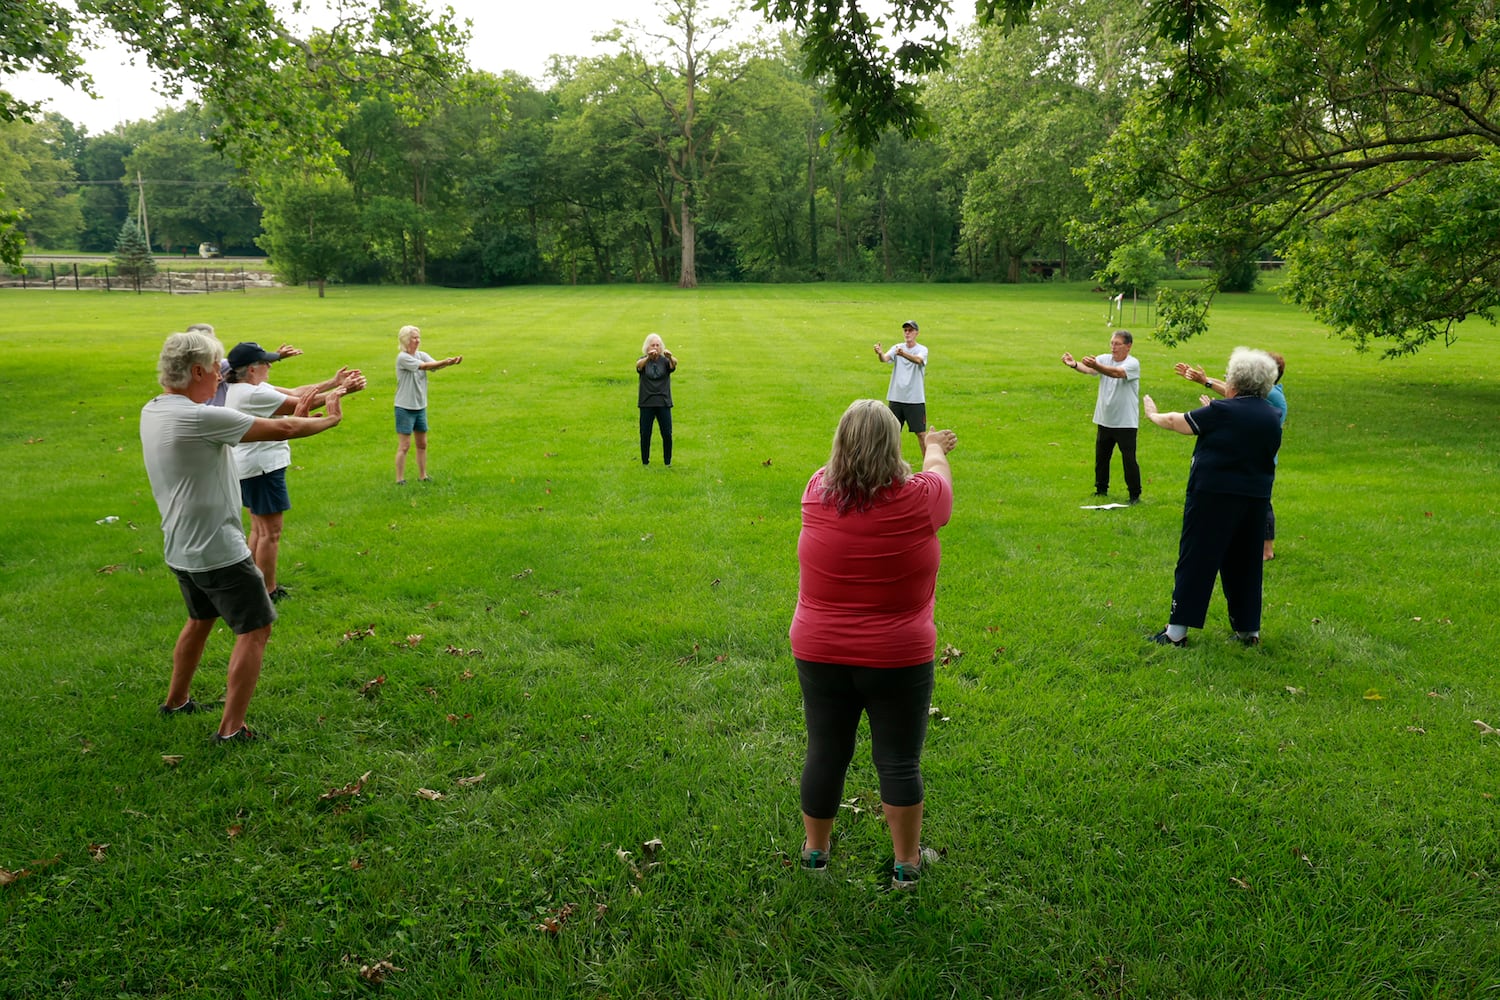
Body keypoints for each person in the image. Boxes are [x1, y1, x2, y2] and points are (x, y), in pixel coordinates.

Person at [140, 330, 347, 742]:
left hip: (180, 546)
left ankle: (176, 701)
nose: (221, 378)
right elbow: (285, 426)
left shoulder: (153, 409)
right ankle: (232, 730)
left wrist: (306, 403)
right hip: (217, 549)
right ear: (197, 371)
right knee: (256, 629)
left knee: (200, 619)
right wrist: (332, 416)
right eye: (216, 370)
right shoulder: (200, 418)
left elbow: (282, 414)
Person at [789, 399, 957, 888]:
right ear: (894, 446)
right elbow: (939, 474)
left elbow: (843, 471)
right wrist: (933, 447)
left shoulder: (815, 490)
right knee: (898, 760)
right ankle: (907, 865)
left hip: (820, 651)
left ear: (840, 445)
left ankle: (815, 854)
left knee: (826, 750)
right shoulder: (920, 498)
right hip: (897, 657)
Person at [1143, 347, 1283, 647]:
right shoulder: (1272, 415)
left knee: (1197, 559)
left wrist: (1153, 415)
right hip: (1255, 499)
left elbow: (1176, 422)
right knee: (1245, 563)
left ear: (1234, 382)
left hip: (1212, 496)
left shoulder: (1222, 411)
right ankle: (1248, 632)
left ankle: (1176, 632)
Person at [224, 341, 365, 601]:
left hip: (250, 468)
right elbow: (299, 405)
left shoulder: (244, 387)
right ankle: (268, 591)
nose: (269, 364)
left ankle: (252, 584)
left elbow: (295, 392)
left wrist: (333, 382)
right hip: (262, 468)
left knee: (259, 529)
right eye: (265, 361)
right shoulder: (252, 394)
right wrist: (344, 390)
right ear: (251, 369)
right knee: (271, 532)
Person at [1176, 352, 1287, 559]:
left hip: (1257, 457)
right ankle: (1246, 542)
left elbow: (1232, 391)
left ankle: (1266, 549)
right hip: (1250, 452)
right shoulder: (1265, 392)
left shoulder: (1270, 395)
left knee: (1262, 504)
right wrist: (1205, 381)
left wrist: (1206, 382)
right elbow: (1232, 388)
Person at [1062, 330, 1142, 503]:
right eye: (1112, 343)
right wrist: (1073, 364)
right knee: (1102, 458)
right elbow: (1089, 370)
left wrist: (1096, 366)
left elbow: (1116, 373)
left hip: (1125, 422)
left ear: (1128, 346)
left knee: (1129, 459)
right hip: (1105, 419)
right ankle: (1101, 490)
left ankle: (1134, 495)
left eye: (1117, 344)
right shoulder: (1105, 358)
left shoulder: (1132, 363)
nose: (1113, 347)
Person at [394, 324, 462, 484]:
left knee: (422, 443)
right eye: (413, 338)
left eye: (418, 337)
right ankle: (399, 479)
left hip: (420, 406)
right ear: (405, 340)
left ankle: (423, 475)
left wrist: (450, 362)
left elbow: (434, 365)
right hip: (404, 407)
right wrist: (445, 362)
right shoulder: (403, 358)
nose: (417, 340)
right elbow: (425, 366)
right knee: (404, 446)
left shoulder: (421, 354)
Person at [187, 323, 305, 407]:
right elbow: (244, 363)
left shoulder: (181, 369)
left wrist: (274, 357)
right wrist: (277, 356)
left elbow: (244, 364)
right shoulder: (216, 366)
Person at [872, 320, 929, 450]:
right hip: (896, 397)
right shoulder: (897, 347)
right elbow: (885, 359)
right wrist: (880, 353)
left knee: (921, 433)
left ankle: (928, 464)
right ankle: (894, 466)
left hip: (915, 399)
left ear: (917, 333)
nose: (907, 333)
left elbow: (919, 360)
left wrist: (903, 354)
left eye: (910, 330)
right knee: (893, 434)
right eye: (905, 330)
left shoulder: (922, 349)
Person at [636, 333, 678, 466]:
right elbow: (638, 366)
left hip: (663, 402)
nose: (655, 347)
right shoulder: (643, 360)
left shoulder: (665, 361)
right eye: (652, 345)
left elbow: (674, 365)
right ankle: (645, 461)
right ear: (647, 347)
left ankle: (667, 461)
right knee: (645, 433)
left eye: (657, 345)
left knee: (667, 433)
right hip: (647, 402)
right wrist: (649, 357)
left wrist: (670, 357)